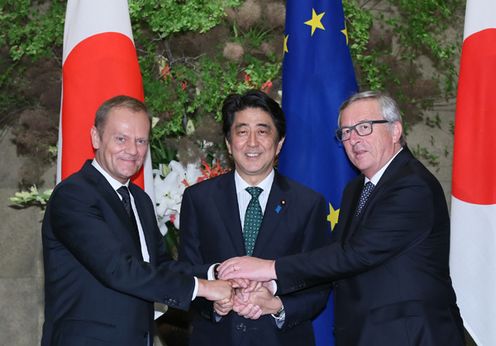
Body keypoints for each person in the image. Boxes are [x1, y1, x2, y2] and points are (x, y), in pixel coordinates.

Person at [218, 91, 466, 346]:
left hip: (412, 336)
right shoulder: (355, 190)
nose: (353, 139)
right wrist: (271, 287)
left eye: (364, 127)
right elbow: (333, 256)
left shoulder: (412, 185)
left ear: (395, 131)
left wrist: (267, 268)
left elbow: (354, 254)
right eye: (345, 132)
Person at [41, 95, 232, 346]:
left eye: (141, 141)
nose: (132, 150)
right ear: (96, 138)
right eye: (121, 139)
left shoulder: (139, 199)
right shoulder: (74, 195)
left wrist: (216, 272)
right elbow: (118, 269)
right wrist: (203, 288)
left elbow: (160, 266)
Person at [178, 90, 331, 345]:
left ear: (279, 142)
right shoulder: (199, 199)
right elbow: (185, 273)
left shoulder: (308, 204)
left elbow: (319, 283)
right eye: (241, 132)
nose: (252, 143)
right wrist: (214, 303)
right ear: (228, 143)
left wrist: (277, 305)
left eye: (262, 131)